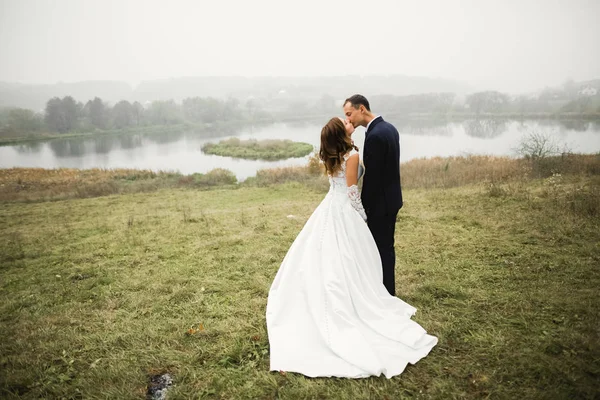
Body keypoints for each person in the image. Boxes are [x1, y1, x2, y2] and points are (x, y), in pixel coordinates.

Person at [266, 117, 437, 379]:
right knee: (347, 256)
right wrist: (363, 216)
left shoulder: (331, 154)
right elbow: (352, 191)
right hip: (344, 209)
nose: (349, 122)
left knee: (328, 255)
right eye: (344, 122)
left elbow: (339, 186)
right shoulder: (352, 155)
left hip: (329, 206)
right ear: (341, 133)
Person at [343, 94, 401, 296]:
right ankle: (387, 290)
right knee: (386, 247)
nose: (348, 119)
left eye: (350, 114)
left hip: (380, 204)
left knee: (379, 249)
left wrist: (363, 206)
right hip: (392, 198)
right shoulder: (389, 128)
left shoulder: (375, 135)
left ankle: (385, 294)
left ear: (362, 109)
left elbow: (374, 178)